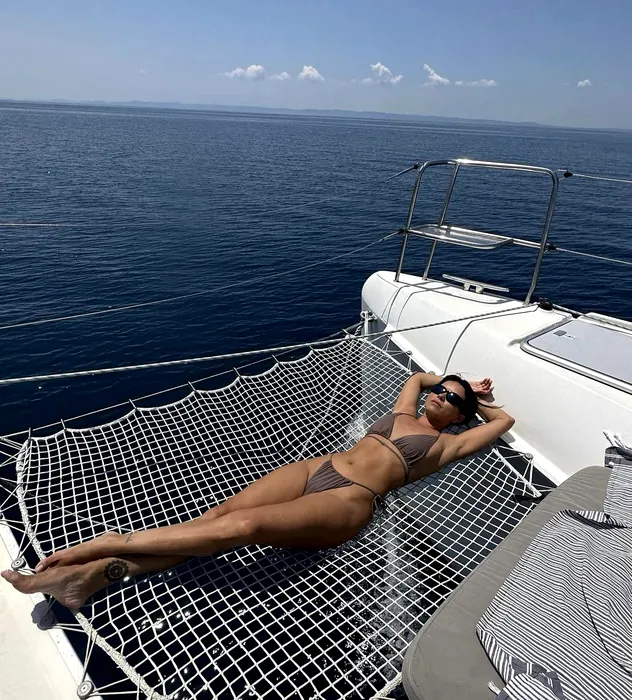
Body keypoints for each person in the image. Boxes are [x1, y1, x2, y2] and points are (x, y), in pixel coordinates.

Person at [2, 372, 513, 610]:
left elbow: (503, 421)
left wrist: (479, 401)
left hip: (350, 500)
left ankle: (106, 544)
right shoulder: (405, 410)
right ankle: (97, 575)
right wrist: (459, 383)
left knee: (242, 528)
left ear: (459, 418)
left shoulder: (448, 445)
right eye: (441, 392)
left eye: (452, 400)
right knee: (218, 516)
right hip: (319, 467)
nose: (440, 397)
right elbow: (418, 377)